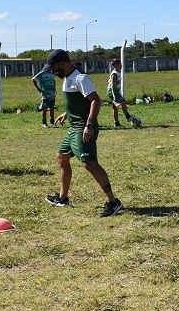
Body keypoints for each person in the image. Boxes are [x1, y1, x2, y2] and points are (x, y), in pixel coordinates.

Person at [42, 49, 124, 217]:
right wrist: (67, 113)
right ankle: (63, 198)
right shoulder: (67, 78)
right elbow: (78, 101)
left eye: (55, 66)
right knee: (62, 157)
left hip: (83, 127)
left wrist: (89, 125)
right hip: (74, 127)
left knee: (89, 163)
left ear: (63, 62)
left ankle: (113, 202)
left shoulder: (81, 78)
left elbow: (95, 100)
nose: (53, 70)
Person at [107, 58, 134, 127]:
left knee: (115, 108)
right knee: (123, 102)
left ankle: (116, 123)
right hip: (112, 91)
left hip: (115, 92)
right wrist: (113, 94)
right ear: (115, 66)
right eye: (119, 64)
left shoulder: (118, 72)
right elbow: (112, 84)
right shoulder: (114, 74)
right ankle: (128, 117)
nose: (121, 65)